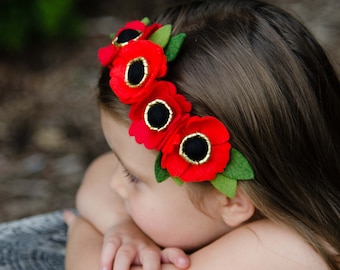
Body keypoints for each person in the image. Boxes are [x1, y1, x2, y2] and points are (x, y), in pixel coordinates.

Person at [64, 0, 340, 269]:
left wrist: (83, 230)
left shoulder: (294, 250)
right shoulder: (253, 213)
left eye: (133, 177)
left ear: (230, 201)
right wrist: (119, 224)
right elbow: (99, 172)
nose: (115, 185)